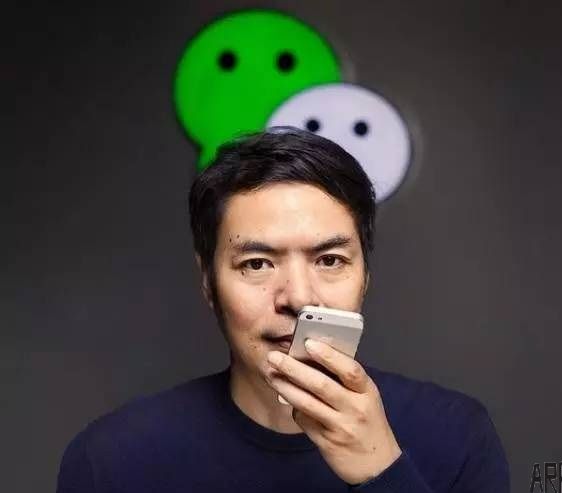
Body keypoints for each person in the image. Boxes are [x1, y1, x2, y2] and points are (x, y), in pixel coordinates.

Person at [56, 127, 510, 492]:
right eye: (257, 264)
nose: (299, 297)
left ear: (366, 276)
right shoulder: (111, 461)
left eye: (329, 260)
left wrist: (382, 474)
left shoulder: (457, 436)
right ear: (208, 282)